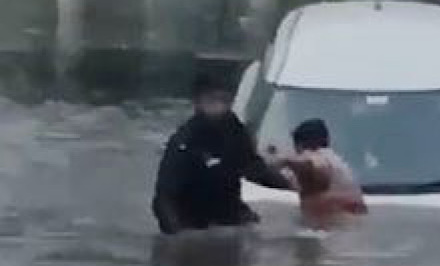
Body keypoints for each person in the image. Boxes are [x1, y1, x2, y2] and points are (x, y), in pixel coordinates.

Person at [151, 73, 294, 235]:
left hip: (228, 212)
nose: (219, 106)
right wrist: (176, 235)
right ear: (197, 102)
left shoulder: (234, 129)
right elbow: (164, 197)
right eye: (212, 99)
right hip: (191, 217)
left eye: (224, 100)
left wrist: (291, 186)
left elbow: (253, 167)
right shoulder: (184, 142)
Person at [276, 118, 367, 228]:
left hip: (334, 230)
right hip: (351, 225)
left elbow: (316, 164)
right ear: (327, 140)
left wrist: (285, 161)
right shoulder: (337, 162)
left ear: (299, 145)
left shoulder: (317, 156)